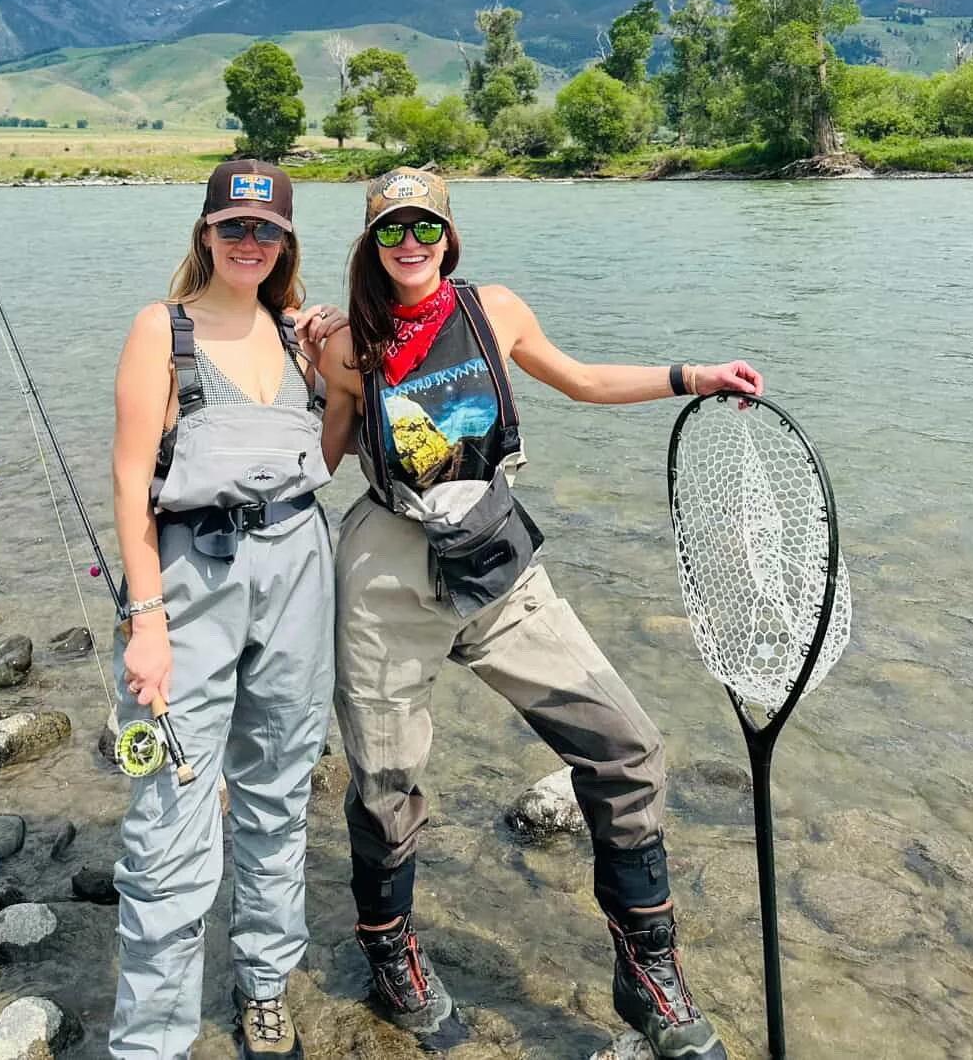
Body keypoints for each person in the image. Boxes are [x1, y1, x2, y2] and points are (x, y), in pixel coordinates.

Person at [319, 167, 764, 1060]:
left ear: (450, 235)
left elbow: (584, 381)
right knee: (384, 780)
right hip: (386, 580)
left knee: (627, 747)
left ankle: (647, 972)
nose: (411, 245)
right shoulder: (345, 344)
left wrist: (694, 375)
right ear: (371, 244)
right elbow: (317, 459)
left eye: (425, 228)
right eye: (392, 232)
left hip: (498, 568)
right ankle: (391, 953)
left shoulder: (496, 310)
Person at [111, 159, 343, 1060]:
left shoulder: (300, 340)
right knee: (170, 809)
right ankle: (152, 1039)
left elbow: (336, 445)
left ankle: (264, 985)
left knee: (279, 793)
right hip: (192, 580)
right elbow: (133, 482)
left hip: (298, 569)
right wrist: (147, 619)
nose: (249, 243)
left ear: (285, 244)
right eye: (232, 227)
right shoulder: (158, 331)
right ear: (205, 234)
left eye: (267, 231)